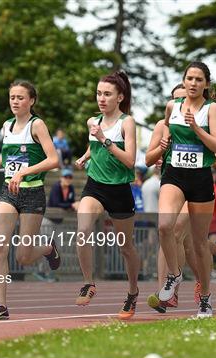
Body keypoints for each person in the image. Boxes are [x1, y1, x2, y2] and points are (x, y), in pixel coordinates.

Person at [0, 80, 60, 320]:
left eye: (20, 98)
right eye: (12, 97)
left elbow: (53, 160)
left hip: (32, 193)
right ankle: (1, 305)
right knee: (0, 248)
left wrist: (23, 173)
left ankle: (48, 248)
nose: (15, 102)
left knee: (23, 257)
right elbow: (9, 157)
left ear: (31, 101)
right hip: (8, 192)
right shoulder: (7, 126)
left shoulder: (37, 126)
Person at [157, 62, 216, 318]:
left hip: (200, 178)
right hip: (174, 173)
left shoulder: (212, 109)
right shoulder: (172, 106)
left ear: (206, 84)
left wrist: (196, 128)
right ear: (183, 82)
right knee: (164, 227)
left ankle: (205, 298)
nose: (193, 83)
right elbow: (167, 127)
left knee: (198, 244)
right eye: (189, 78)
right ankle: (174, 275)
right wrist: (165, 142)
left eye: (198, 79)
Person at [73, 70, 141, 320]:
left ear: (120, 97)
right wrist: (85, 155)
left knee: (126, 248)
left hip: (120, 189)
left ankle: (133, 291)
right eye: (99, 93)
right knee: (82, 231)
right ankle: (89, 282)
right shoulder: (93, 121)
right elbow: (94, 146)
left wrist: (104, 140)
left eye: (107, 94)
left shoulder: (127, 122)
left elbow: (130, 161)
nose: (101, 98)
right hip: (95, 186)